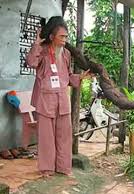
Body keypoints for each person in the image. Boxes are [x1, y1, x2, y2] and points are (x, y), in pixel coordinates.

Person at [26, 16, 91, 177]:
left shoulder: (66, 54)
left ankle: (63, 167)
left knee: (64, 136)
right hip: (45, 100)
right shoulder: (41, 50)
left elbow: (67, 77)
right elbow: (31, 63)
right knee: (46, 138)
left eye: (66, 37)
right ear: (51, 37)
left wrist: (80, 77)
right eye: (62, 36)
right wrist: (36, 44)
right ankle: (47, 169)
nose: (64, 40)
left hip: (62, 100)